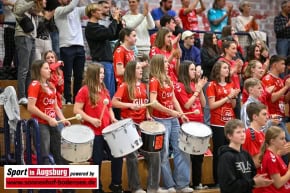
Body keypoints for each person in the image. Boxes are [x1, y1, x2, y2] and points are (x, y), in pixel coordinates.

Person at [112, 60, 166, 193]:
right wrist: (129, 105)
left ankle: (153, 187)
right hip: (129, 126)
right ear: (131, 71)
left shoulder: (143, 86)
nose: (141, 70)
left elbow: (145, 104)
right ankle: (135, 187)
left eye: (141, 69)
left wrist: (147, 113)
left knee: (154, 154)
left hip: (142, 126)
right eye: (137, 69)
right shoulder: (124, 85)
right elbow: (113, 102)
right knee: (132, 156)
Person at [74, 63, 123, 193]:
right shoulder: (84, 90)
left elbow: (109, 107)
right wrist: (91, 120)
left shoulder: (104, 89)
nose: (102, 75)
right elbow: (76, 109)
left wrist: (112, 117)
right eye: (100, 73)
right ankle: (97, 189)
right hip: (93, 132)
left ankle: (116, 184)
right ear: (93, 74)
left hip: (107, 130)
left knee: (117, 155)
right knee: (97, 160)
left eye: (103, 73)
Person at [149, 54, 193, 193]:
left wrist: (181, 114)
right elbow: (153, 102)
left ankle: (182, 184)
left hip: (173, 120)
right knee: (164, 153)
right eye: (165, 62)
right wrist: (170, 111)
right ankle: (170, 185)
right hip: (160, 120)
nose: (168, 64)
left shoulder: (169, 79)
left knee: (182, 149)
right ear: (158, 64)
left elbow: (173, 99)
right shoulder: (154, 81)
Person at [174, 60, 208, 190]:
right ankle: (184, 183)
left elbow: (204, 104)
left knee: (199, 155)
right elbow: (187, 105)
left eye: (195, 69)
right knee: (187, 155)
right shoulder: (179, 86)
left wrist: (200, 89)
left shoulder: (195, 85)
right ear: (185, 71)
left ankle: (197, 183)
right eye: (192, 69)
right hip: (187, 124)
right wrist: (197, 90)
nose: (195, 72)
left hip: (199, 122)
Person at [206, 60, 240, 184]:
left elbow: (234, 105)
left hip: (230, 123)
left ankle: (231, 177)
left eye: (228, 68)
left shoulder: (230, 84)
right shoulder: (212, 85)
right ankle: (218, 179)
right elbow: (211, 105)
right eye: (225, 67)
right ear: (218, 70)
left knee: (232, 152)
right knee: (219, 152)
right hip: (218, 124)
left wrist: (234, 97)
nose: (227, 70)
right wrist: (228, 97)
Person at [217, 119, 273, 193]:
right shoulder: (226, 157)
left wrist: (260, 180)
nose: (242, 134)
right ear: (229, 136)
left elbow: (252, 176)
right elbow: (228, 186)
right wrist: (253, 182)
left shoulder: (246, 154)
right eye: (238, 132)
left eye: (243, 131)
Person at [85, 3, 122, 98]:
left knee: (111, 94)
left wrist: (118, 21)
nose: (102, 12)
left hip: (107, 63)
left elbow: (115, 35)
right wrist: (114, 19)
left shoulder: (99, 27)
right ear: (93, 13)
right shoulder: (91, 28)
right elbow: (109, 33)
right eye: (99, 10)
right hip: (101, 64)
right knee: (105, 94)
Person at [54, 0, 86, 104]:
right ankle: (68, 99)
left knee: (79, 76)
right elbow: (71, 7)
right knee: (67, 75)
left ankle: (77, 99)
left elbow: (89, 9)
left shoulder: (77, 10)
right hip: (66, 47)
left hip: (80, 46)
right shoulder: (58, 10)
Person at [13, 0, 40, 104]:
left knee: (30, 69)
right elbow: (18, 11)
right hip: (23, 36)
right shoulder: (20, 2)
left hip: (32, 37)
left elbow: (38, 13)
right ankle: (21, 96)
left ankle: (29, 95)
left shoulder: (30, 5)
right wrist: (33, 2)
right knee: (23, 68)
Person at [262, 55, 290, 143]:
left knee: (283, 145)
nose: (284, 66)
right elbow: (272, 98)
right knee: (286, 142)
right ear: (274, 65)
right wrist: (286, 87)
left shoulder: (281, 80)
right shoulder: (267, 79)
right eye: (282, 64)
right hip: (273, 117)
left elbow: (284, 100)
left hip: (281, 116)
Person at [256, 126, 290, 193]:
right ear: (272, 141)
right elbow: (278, 184)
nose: (285, 141)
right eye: (282, 139)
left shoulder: (274, 155)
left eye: (284, 138)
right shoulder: (270, 158)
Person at [219, 40, 243, 119]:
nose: (235, 51)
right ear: (226, 49)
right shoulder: (221, 61)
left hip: (236, 92)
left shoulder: (233, 62)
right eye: (233, 48)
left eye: (236, 49)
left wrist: (239, 71)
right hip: (228, 93)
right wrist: (235, 68)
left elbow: (237, 78)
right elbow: (224, 76)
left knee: (238, 117)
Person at [242, 102, 268, 168]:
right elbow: (255, 163)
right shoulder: (250, 134)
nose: (267, 117)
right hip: (256, 175)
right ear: (255, 117)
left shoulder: (261, 133)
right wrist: (278, 153)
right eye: (264, 114)